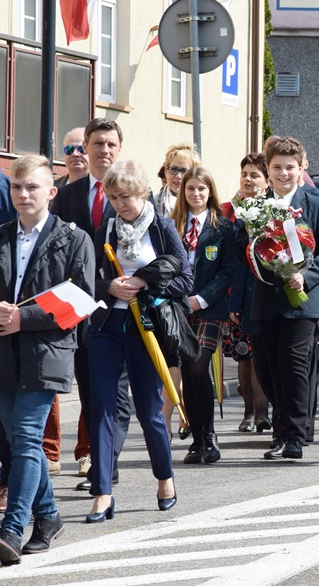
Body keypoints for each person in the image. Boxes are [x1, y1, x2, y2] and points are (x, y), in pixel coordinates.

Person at [0, 156, 94, 564]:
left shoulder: (74, 239)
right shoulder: (2, 235)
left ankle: (11, 528)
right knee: (20, 440)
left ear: (51, 192)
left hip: (47, 353)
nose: (23, 194)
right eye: (17, 187)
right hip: (5, 354)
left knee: (24, 435)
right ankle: (50, 515)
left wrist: (25, 318)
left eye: (32, 187)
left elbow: (81, 300)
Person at [88, 159, 191, 522]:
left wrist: (144, 283)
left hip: (145, 325)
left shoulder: (162, 227)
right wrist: (109, 286)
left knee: (149, 410)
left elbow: (185, 279)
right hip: (106, 326)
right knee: (102, 408)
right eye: (114, 198)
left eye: (127, 197)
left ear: (144, 193)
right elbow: (85, 280)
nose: (121, 204)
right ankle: (102, 492)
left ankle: (164, 478)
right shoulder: (105, 229)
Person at [50, 117, 129, 494]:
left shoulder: (133, 193)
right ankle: (99, 458)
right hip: (79, 309)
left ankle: (105, 464)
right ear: (87, 147)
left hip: (121, 309)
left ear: (119, 149)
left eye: (111, 144)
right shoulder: (67, 196)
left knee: (114, 392)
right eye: (97, 143)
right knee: (89, 390)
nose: (104, 151)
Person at [248, 137, 319, 461]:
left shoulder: (314, 203)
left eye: (289, 167)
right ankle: (281, 431)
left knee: (293, 365)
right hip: (267, 299)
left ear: (301, 169)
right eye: (277, 167)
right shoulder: (257, 206)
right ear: (268, 169)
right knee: (270, 369)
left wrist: (306, 276)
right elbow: (249, 251)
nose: (283, 173)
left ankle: (294, 436)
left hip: (303, 301)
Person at [171, 168, 237, 465]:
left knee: (198, 366)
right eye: (190, 188)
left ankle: (209, 436)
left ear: (210, 192)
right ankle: (196, 439)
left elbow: (227, 272)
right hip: (176, 307)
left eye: (201, 188)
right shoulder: (171, 225)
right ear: (183, 192)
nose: (196, 194)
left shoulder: (222, 228)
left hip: (208, 308)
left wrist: (199, 300)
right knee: (187, 370)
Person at [154, 142, 200, 440]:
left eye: (184, 170)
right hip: (159, 291)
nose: (177, 176)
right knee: (170, 357)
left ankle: (169, 417)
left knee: (179, 357)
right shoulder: (152, 203)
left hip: (189, 293)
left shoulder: (198, 204)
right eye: (173, 169)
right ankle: (176, 412)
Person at [222, 153, 271, 433]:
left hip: (263, 292)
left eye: (255, 175)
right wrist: (233, 300)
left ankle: (263, 413)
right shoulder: (230, 210)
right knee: (244, 355)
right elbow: (237, 262)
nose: (248, 180)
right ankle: (249, 413)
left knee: (262, 357)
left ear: (266, 181)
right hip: (238, 292)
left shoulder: (272, 209)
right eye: (244, 174)